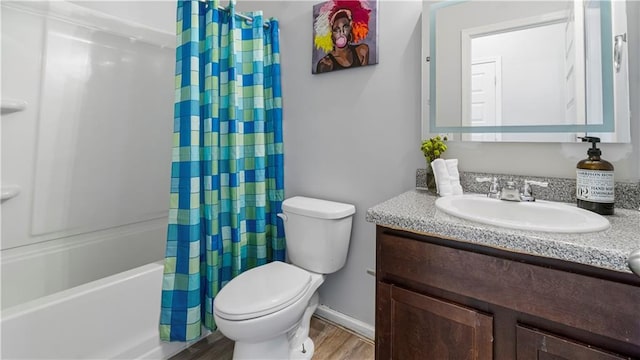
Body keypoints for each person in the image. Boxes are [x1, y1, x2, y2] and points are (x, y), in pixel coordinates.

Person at [315, 8, 370, 73]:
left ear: (351, 29)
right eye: (336, 29)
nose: (341, 32)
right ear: (331, 34)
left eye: (345, 26)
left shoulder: (362, 51)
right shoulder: (326, 63)